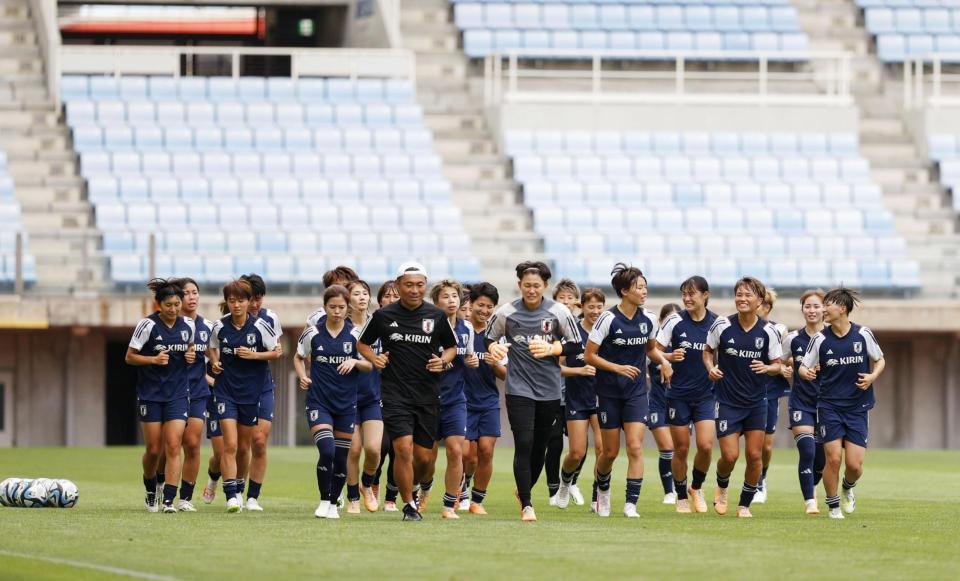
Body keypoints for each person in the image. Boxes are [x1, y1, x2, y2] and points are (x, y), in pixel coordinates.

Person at [358, 262, 458, 521]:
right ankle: (409, 506)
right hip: (395, 394)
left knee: (424, 459)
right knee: (402, 448)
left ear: (425, 285)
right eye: (409, 284)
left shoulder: (436, 316)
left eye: (420, 284)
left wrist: (443, 362)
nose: (415, 290)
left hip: (427, 395)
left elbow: (451, 348)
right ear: (398, 285)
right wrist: (375, 358)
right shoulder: (383, 316)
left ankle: (417, 485)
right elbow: (362, 343)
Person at [486, 261, 581, 522]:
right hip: (518, 388)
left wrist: (553, 349)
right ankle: (527, 504)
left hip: (550, 391)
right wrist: (493, 348)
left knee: (540, 447)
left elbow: (576, 345)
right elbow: (488, 337)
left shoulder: (559, 312)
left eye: (536, 285)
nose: (531, 290)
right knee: (524, 443)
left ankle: (524, 488)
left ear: (545, 287)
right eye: (526, 285)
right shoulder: (506, 313)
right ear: (519, 285)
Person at [585, 264, 672, 518]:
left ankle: (631, 503)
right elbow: (589, 356)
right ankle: (602, 492)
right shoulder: (607, 319)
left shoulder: (649, 319)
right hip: (609, 392)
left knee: (635, 446)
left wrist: (664, 361)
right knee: (609, 452)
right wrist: (616, 368)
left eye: (645, 286)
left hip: (636, 393)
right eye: (639, 287)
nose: (644, 291)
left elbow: (650, 350)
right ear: (624, 291)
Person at [799, 287, 885, 520]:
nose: (823, 309)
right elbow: (803, 365)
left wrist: (872, 377)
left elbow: (880, 359)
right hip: (829, 406)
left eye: (828, 304)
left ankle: (848, 487)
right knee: (834, 458)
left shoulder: (863, 334)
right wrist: (806, 372)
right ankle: (833, 506)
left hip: (858, 408)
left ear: (843, 309)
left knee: (855, 466)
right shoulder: (819, 339)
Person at [703, 276, 782, 518]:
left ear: (760, 300)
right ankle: (722, 486)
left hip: (757, 402)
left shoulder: (768, 331)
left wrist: (767, 368)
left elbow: (778, 365)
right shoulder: (722, 325)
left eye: (748, 295)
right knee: (729, 455)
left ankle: (744, 504)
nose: (742, 299)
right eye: (739, 294)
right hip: (727, 401)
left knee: (755, 455)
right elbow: (707, 351)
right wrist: (710, 368)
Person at [294, 285, 373, 519]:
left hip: (347, 405)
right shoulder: (312, 333)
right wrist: (303, 376)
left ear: (347, 308)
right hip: (319, 402)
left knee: (341, 457)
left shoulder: (357, 334)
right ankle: (323, 499)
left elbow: (370, 364)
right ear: (325, 307)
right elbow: (298, 357)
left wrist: (355, 362)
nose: (337, 311)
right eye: (332, 307)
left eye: (341, 307)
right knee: (327, 450)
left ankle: (332, 504)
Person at [207, 279, 281, 513]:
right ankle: (230, 496)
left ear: (249, 302)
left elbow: (276, 352)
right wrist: (215, 362)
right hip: (226, 391)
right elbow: (211, 347)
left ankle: (244, 491)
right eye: (232, 300)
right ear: (226, 302)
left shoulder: (260, 326)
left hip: (252, 392)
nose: (236, 305)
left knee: (244, 446)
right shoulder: (219, 326)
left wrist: (254, 356)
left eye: (241, 300)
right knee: (229, 444)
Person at [125, 278, 196, 513]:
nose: (174, 309)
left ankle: (168, 500)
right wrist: (153, 360)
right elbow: (130, 356)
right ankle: (149, 489)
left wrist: (190, 355)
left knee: (174, 446)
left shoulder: (188, 325)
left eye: (177, 304)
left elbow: (190, 347)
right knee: (154, 450)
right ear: (158, 305)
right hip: (151, 394)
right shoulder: (147, 325)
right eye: (169, 305)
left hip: (178, 394)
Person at [655, 276, 718, 514]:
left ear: (705, 295)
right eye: (684, 294)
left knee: (705, 445)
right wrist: (667, 359)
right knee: (680, 449)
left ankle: (696, 487)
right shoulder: (674, 321)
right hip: (678, 395)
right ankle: (681, 495)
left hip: (706, 395)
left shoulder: (717, 323)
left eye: (692, 294)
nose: (687, 298)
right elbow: (655, 350)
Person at [418, 279, 478, 519]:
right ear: (436, 301)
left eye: (455, 296)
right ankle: (422, 488)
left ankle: (448, 505)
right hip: (428, 400)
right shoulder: (426, 328)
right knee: (425, 458)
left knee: (456, 451)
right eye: (446, 296)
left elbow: (470, 358)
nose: (451, 301)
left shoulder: (467, 329)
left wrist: (472, 362)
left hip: (455, 400)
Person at [234, 273, 282, 511]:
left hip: (263, 386)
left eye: (259, 298)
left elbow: (277, 351)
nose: (254, 303)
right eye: (250, 298)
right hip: (236, 389)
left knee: (259, 441)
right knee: (242, 446)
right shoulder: (228, 321)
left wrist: (255, 355)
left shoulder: (270, 318)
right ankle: (236, 490)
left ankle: (253, 496)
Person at [556, 288, 604, 510]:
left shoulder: (607, 330)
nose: (595, 311)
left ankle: (597, 498)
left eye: (599, 307)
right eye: (591, 307)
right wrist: (579, 372)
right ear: (581, 307)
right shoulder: (571, 333)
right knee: (576, 453)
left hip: (603, 398)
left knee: (604, 451)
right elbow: (557, 368)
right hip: (576, 398)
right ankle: (565, 483)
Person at [462, 282, 506, 515]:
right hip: (463, 401)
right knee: (468, 455)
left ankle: (477, 501)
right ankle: (463, 486)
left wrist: (495, 363)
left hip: (488, 400)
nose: (485, 310)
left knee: (486, 451)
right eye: (481, 305)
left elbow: (506, 375)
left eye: (490, 306)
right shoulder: (461, 330)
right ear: (471, 304)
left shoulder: (497, 337)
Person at [782, 289, 826, 515]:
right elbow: (776, 361)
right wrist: (787, 369)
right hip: (801, 403)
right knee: (807, 451)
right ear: (802, 310)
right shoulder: (792, 338)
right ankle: (810, 501)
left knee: (821, 460)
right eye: (807, 306)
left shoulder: (834, 338)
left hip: (828, 404)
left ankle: (813, 486)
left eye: (816, 306)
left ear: (824, 309)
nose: (812, 310)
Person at [343, 280, 384, 514]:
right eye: (356, 293)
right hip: (347, 398)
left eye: (365, 293)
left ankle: (367, 485)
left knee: (374, 449)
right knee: (354, 450)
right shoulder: (342, 327)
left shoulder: (377, 323)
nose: (361, 297)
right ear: (348, 299)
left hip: (372, 396)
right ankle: (353, 498)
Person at [174, 277, 213, 512]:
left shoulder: (208, 327)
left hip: (198, 392)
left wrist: (215, 368)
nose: (192, 296)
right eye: (187, 293)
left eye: (195, 292)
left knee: (192, 444)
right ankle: (161, 486)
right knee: (168, 445)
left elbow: (212, 354)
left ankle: (185, 497)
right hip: (172, 391)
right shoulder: (169, 325)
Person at [544, 279, 580, 505]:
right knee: (555, 442)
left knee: (580, 448)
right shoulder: (548, 326)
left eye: (570, 297)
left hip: (576, 395)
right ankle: (553, 490)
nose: (566, 302)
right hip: (553, 393)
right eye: (561, 298)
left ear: (577, 302)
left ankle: (570, 482)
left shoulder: (582, 326)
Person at [754, 288, 790, 504]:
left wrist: (784, 367)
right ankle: (753, 481)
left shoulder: (779, 330)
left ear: (766, 307)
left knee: (766, 445)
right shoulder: (738, 327)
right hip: (744, 390)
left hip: (770, 390)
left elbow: (787, 358)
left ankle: (762, 479)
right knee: (751, 442)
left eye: (758, 304)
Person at [371, 281, 401, 511]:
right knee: (379, 446)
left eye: (395, 296)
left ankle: (392, 496)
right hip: (375, 391)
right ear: (380, 300)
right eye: (387, 296)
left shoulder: (407, 325)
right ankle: (372, 484)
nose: (391, 300)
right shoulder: (372, 325)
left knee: (397, 447)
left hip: (401, 392)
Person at [648, 303, 680, 505]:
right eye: (669, 319)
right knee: (667, 448)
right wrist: (667, 358)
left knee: (680, 449)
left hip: (680, 402)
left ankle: (681, 487)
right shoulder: (654, 346)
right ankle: (669, 491)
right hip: (657, 403)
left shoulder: (684, 342)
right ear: (661, 321)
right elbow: (650, 359)